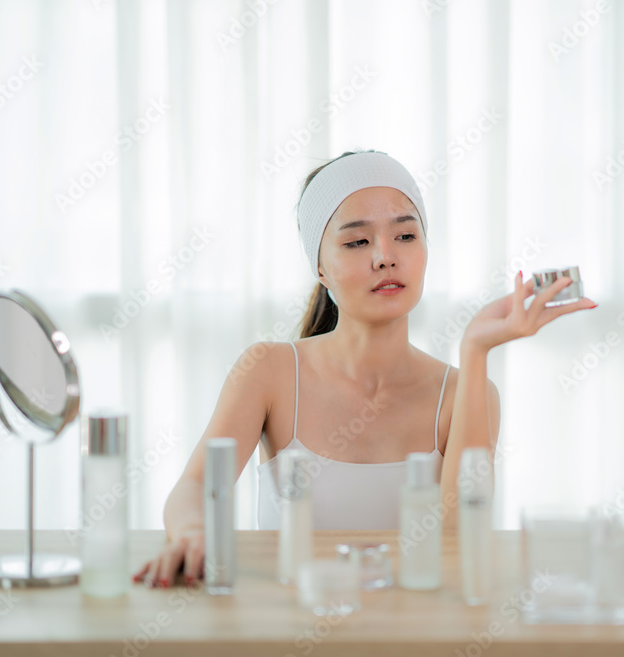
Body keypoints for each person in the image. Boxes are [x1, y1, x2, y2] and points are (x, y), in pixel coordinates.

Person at [133, 149, 597, 588]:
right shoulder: (268, 371)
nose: (385, 255)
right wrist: (192, 532)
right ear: (320, 268)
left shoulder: (465, 393)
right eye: (357, 241)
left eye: (406, 235)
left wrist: (475, 351)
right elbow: (193, 488)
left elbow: (456, 545)